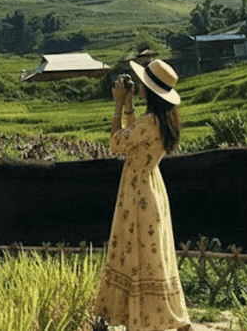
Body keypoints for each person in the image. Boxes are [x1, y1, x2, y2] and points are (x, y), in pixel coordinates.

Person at [91, 59, 191, 331]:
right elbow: (136, 138)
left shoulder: (150, 122)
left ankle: (136, 318)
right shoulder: (160, 121)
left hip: (137, 191)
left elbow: (116, 144)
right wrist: (130, 107)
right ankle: (147, 315)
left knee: (132, 249)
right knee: (148, 253)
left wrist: (117, 106)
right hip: (149, 185)